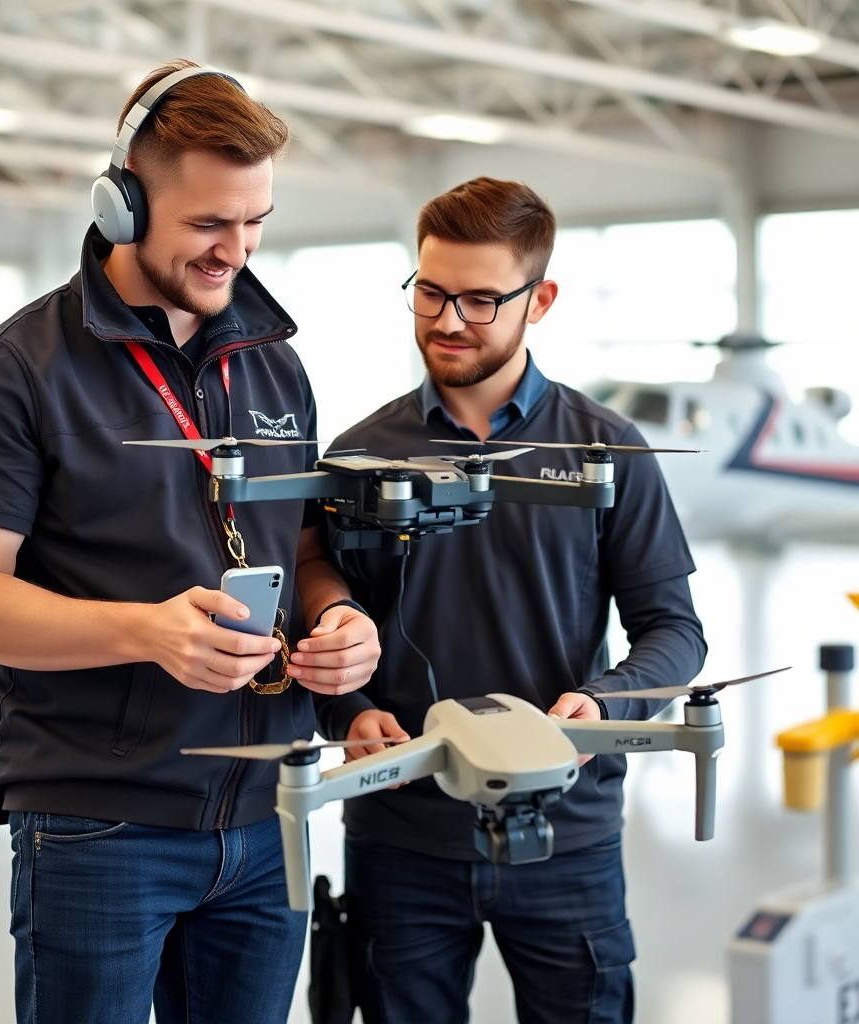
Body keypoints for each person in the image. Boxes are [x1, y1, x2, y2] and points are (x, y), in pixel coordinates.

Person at [0, 60, 379, 1024]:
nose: (237, 251)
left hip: (267, 819)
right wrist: (149, 631)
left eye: (255, 222)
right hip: (102, 825)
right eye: (209, 225)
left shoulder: (274, 364)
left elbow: (300, 548)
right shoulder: (14, 373)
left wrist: (338, 614)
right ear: (124, 203)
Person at [316, 176, 707, 1024]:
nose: (448, 320)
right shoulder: (358, 454)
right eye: (430, 291)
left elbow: (673, 630)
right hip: (401, 831)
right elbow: (323, 616)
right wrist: (347, 707)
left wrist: (605, 700)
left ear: (543, 299)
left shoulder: (608, 450)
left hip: (568, 830)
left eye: (483, 299)